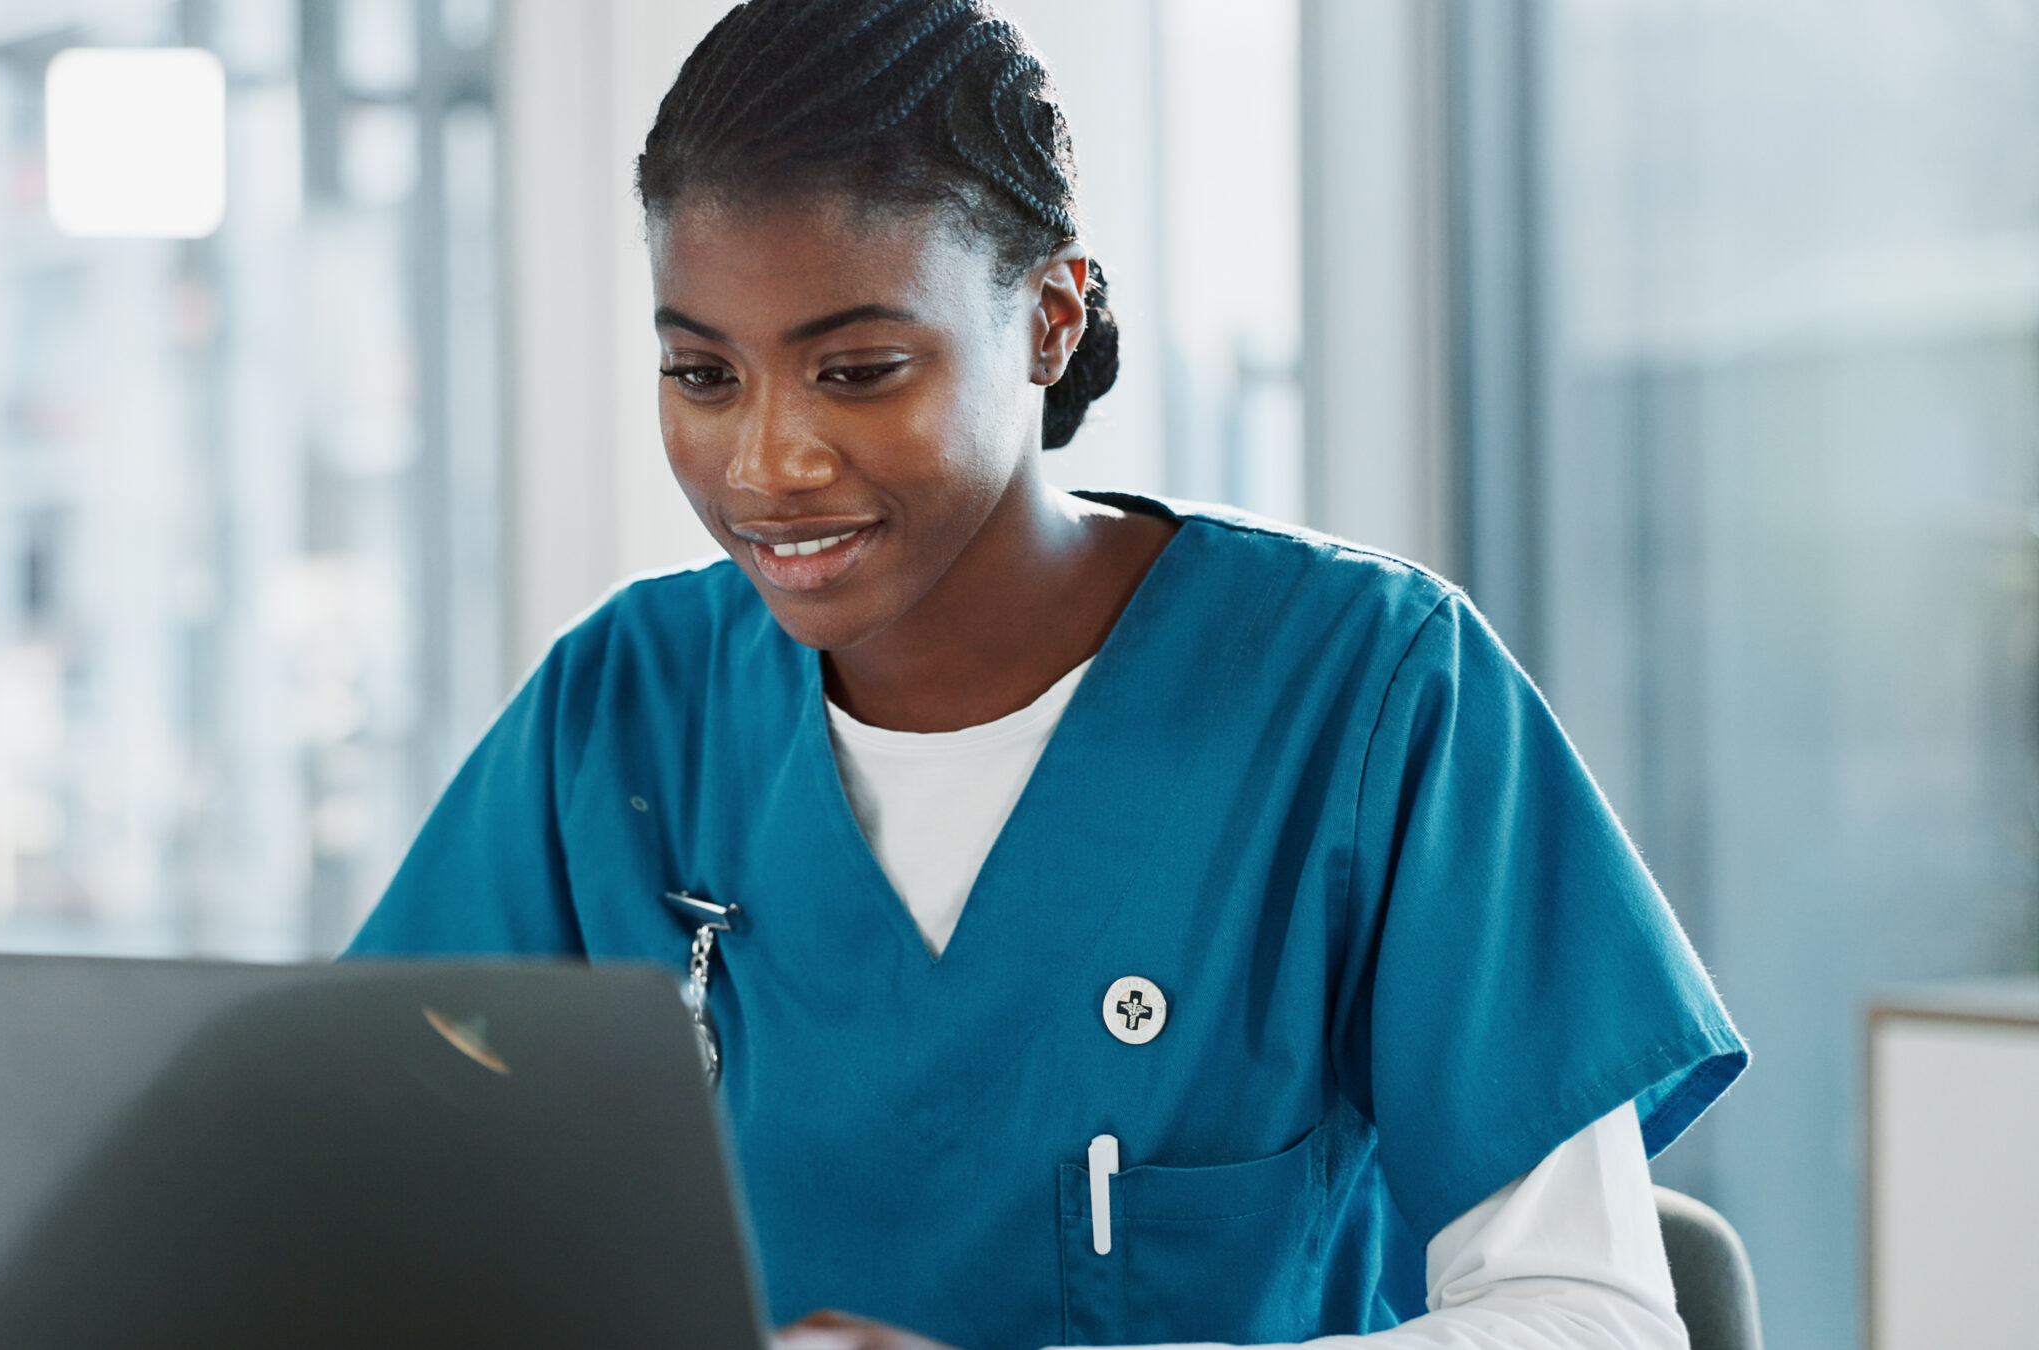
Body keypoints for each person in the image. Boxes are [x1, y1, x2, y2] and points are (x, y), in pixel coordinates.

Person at [347, 3, 1746, 1347]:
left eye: (858, 370)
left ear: (1051, 319)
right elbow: (339, 1188)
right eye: (704, 377)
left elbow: (1591, 1317)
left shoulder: (1370, 695)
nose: (767, 464)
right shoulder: (618, 713)